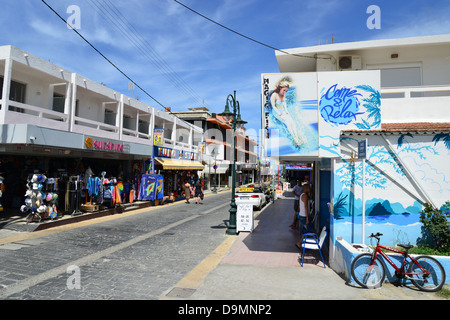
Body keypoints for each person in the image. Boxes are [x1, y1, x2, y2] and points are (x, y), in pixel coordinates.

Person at [296, 184, 311, 248]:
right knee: (306, 231)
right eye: (309, 188)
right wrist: (307, 218)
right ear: (306, 189)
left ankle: (303, 244)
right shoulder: (305, 196)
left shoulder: (302, 195)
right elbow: (306, 207)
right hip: (304, 216)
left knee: (304, 231)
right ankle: (299, 243)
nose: (310, 189)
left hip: (301, 215)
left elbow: (300, 206)